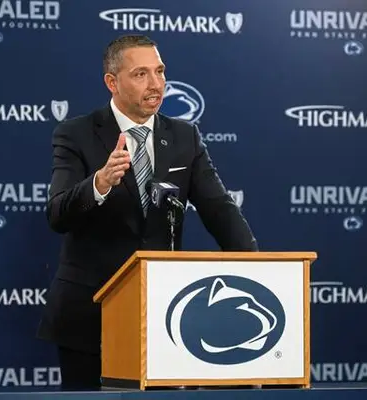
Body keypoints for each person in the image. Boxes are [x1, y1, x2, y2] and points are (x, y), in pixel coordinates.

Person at [37, 34, 258, 390]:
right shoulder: (76, 134)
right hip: (90, 313)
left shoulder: (185, 136)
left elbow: (219, 210)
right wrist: (99, 183)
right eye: (141, 74)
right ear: (112, 82)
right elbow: (57, 215)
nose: (156, 84)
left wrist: (257, 270)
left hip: (164, 316)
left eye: (160, 71)